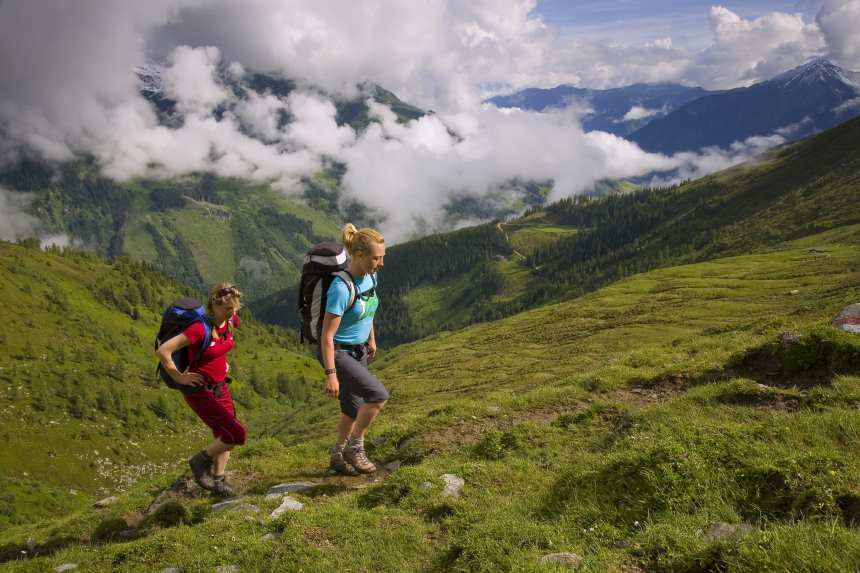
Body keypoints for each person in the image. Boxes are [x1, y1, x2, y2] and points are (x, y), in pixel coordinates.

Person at [155, 283, 246, 496]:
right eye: (227, 309)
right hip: (199, 390)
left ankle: (218, 482)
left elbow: (218, 347)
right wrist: (179, 377)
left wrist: (222, 365)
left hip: (219, 387)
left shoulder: (230, 320)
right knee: (236, 433)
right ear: (213, 305)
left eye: (235, 308)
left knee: (224, 436)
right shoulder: (198, 328)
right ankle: (199, 461)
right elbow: (163, 351)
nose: (232, 313)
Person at [319, 224, 388, 475]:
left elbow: (367, 309)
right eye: (376, 258)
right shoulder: (340, 287)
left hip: (359, 351)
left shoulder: (371, 276)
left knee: (352, 408)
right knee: (378, 396)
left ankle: (337, 457)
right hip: (338, 352)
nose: (380, 263)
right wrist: (331, 373)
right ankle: (354, 447)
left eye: (382, 257)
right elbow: (326, 335)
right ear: (359, 255)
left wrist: (371, 338)